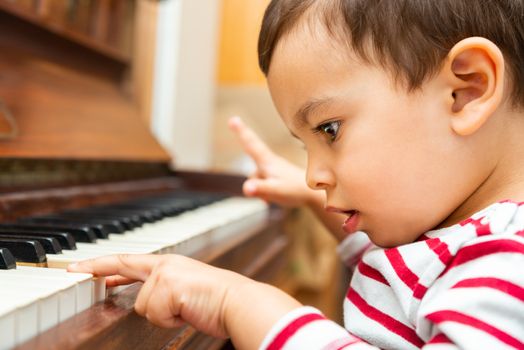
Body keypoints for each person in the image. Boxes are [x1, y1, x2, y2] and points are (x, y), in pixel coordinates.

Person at [68, 0, 524, 348]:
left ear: (466, 91)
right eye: (304, 145)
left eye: (329, 130)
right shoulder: (469, 241)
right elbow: (396, 274)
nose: (313, 176)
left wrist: (241, 306)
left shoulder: (504, 267)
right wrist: (310, 201)